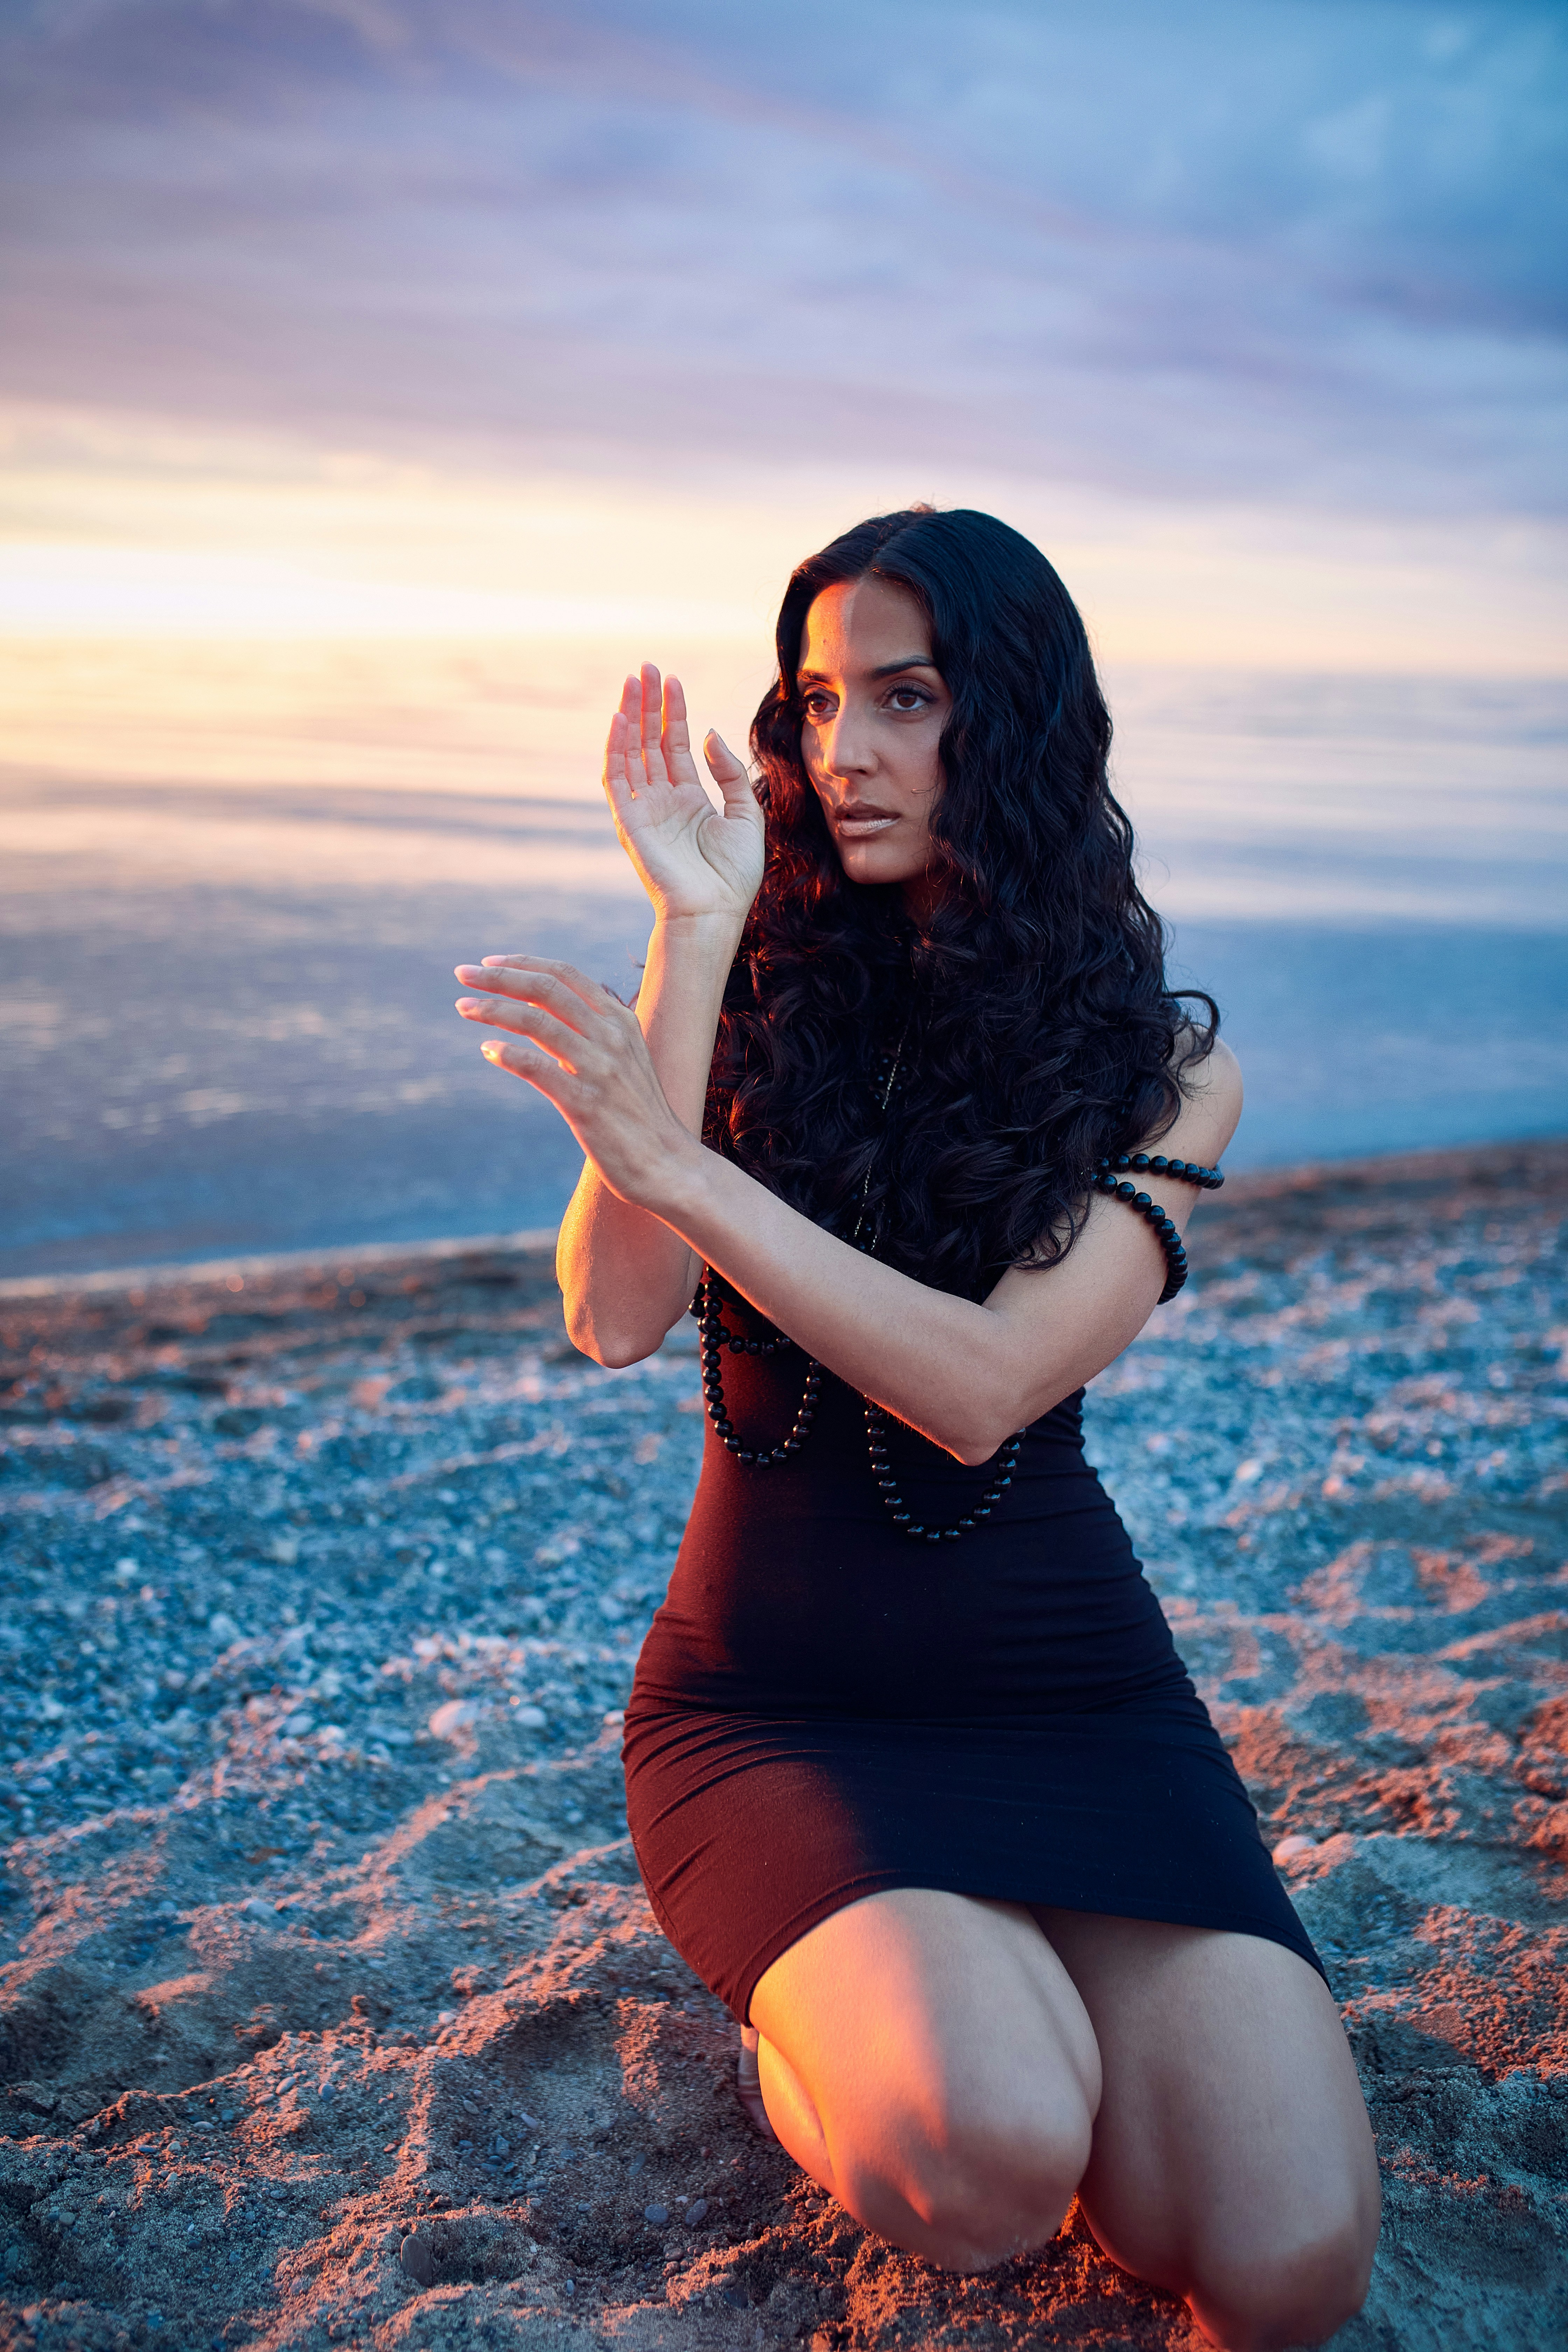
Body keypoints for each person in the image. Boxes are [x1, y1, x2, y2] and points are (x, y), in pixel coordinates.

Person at [453, 507, 1379, 2351]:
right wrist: (690, 932)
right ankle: (827, 2017)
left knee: (1283, 2270)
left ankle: (965, 1973)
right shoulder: (749, 983)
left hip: (1073, 1699)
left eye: (904, 698)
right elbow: (614, 1314)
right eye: (814, 703)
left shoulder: (1166, 1070)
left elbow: (982, 1389)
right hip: (777, 1709)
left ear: (1009, 719)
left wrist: (679, 1169)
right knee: (994, 2159)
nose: (843, 752)